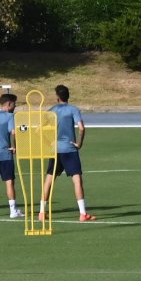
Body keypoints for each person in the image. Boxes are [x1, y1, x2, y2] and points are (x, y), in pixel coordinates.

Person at [38, 85, 96, 222]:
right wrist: (79, 143)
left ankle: (41, 213)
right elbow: (81, 128)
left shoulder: (52, 110)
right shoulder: (73, 109)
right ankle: (82, 213)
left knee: (48, 181)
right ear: (68, 96)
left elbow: (38, 130)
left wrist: (49, 143)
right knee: (77, 181)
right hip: (69, 149)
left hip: (55, 149)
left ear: (57, 97)